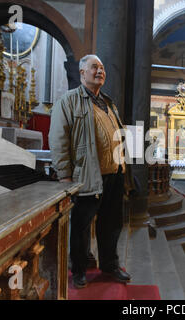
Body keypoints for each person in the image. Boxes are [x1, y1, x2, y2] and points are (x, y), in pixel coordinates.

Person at [49, 54, 132, 289]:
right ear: (82, 72)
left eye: (103, 68)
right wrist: (65, 174)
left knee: (112, 224)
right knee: (82, 227)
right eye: (94, 67)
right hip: (87, 175)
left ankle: (110, 265)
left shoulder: (108, 102)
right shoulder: (68, 101)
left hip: (114, 173)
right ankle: (78, 270)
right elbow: (58, 139)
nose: (100, 71)